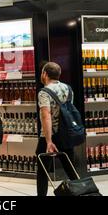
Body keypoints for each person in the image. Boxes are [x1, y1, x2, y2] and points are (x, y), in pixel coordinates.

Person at [36, 62, 78, 196]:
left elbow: (46, 115)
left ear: (45, 74)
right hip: (67, 134)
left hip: (49, 135)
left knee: (43, 171)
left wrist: (49, 141)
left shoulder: (44, 92)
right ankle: (83, 192)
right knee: (71, 170)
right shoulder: (68, 89)